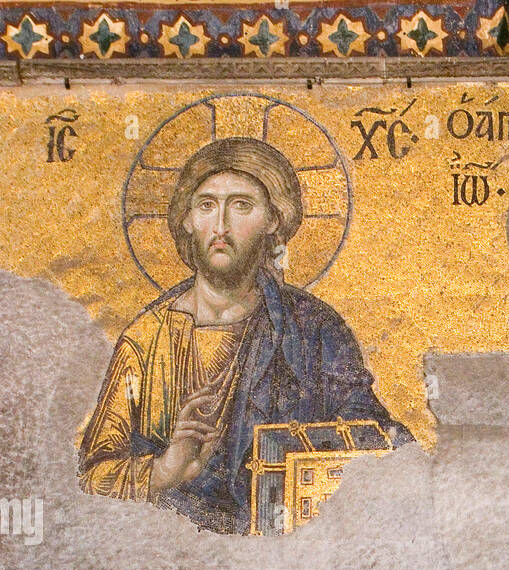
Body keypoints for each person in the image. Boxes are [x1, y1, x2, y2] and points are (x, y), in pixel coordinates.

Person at [79, 137, 410, 533]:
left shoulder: (312, 329)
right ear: (186, 219)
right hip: (171, 552)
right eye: (206, 205)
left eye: (241, 205)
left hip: (285, 554)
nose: (220, 226)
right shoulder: (147, 340)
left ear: (274, 219)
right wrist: (167, 469)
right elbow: (90, 477)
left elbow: (378, 446)